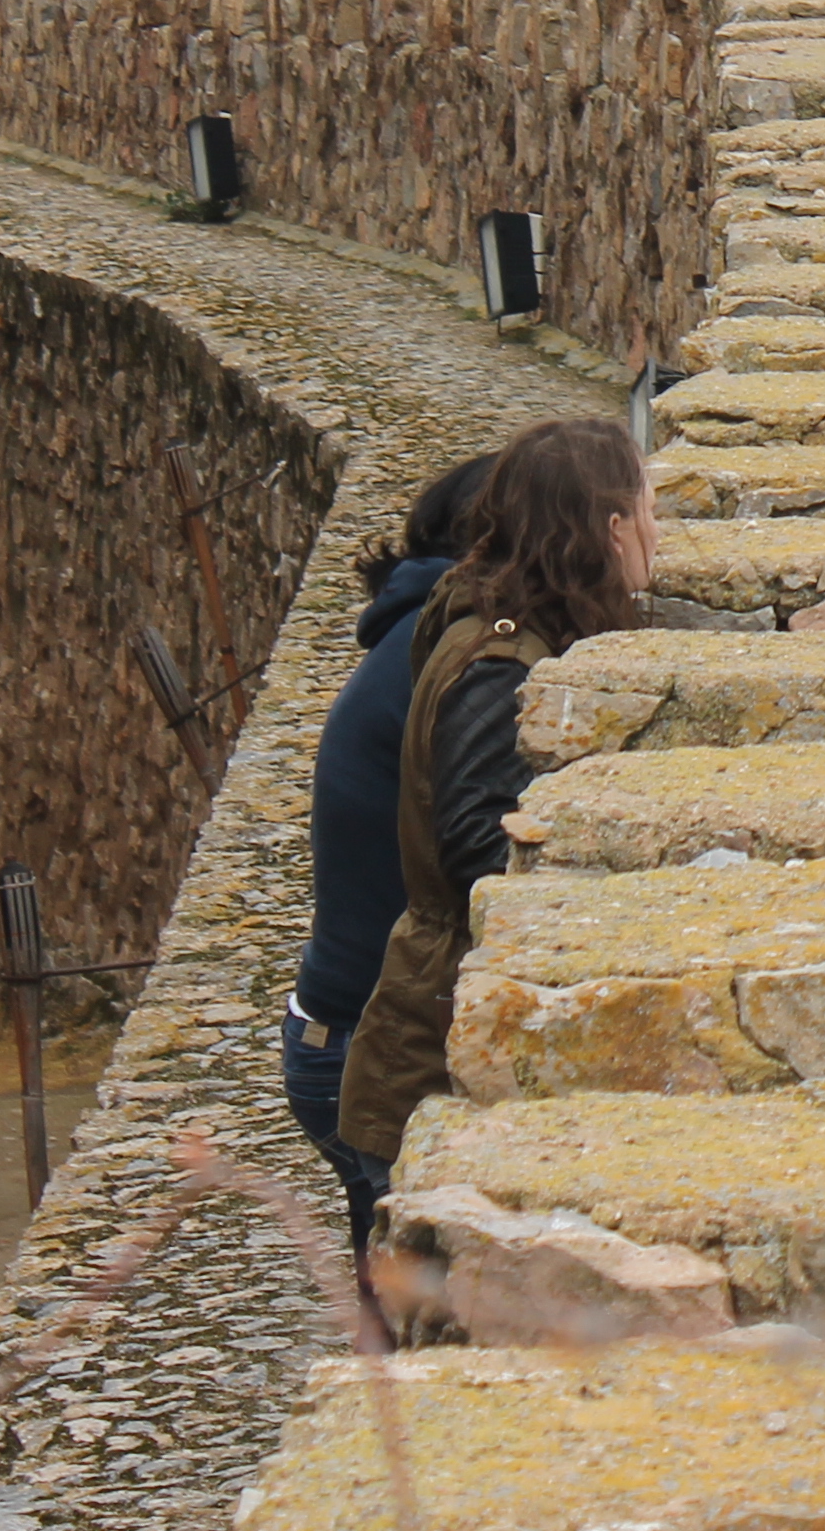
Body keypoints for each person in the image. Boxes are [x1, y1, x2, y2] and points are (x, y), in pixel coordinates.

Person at [332, 417, 656, 1189]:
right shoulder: (500, 664)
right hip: (430, 1051)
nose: (658, 530)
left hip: (433, 1029)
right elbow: (476, 845)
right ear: (613, 529)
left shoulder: (515, 634)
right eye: (649, 508)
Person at [282, 454, 492, 1260]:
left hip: (338, 1028)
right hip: (361, 1040)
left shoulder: (417, 629)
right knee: (417, 1290)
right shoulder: (448, 655)